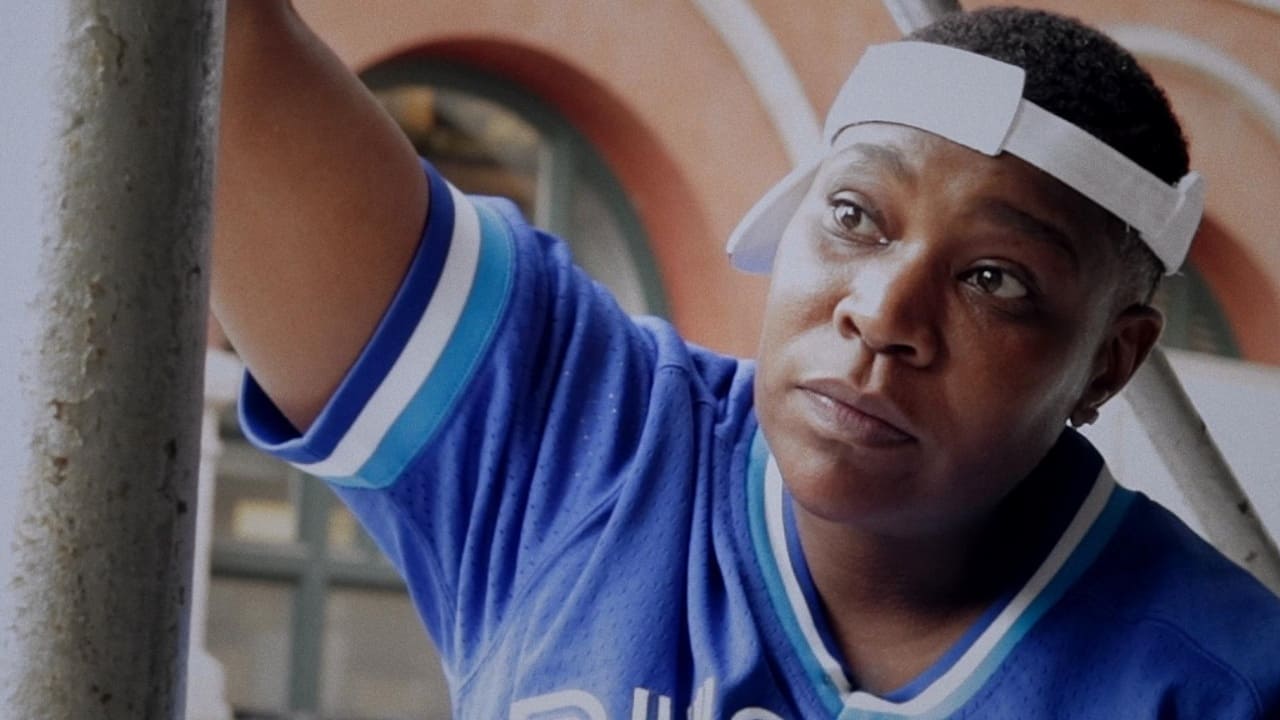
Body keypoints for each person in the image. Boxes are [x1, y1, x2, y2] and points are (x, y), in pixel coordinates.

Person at [213, 3, 1280, 718]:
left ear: (1109, 363)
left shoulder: (1219, 681)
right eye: (854, 215)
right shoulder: (579, 439)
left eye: (993, 279)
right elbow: (218, 54)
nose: (882, 313)